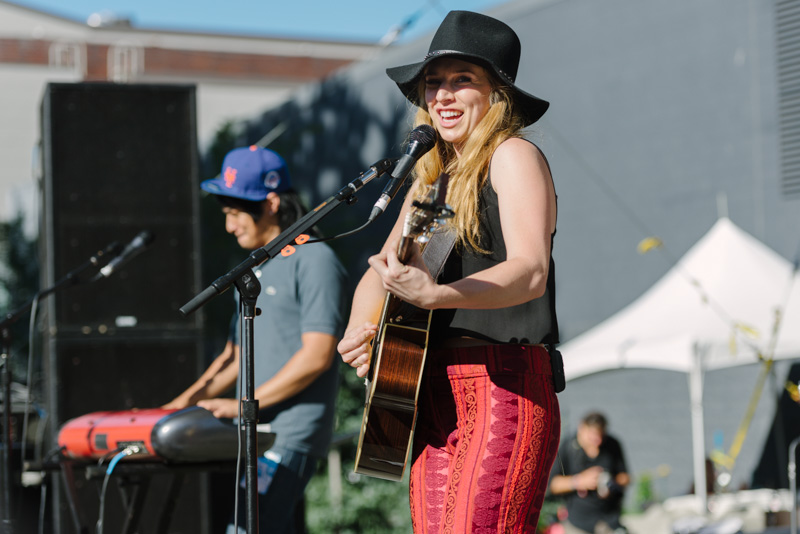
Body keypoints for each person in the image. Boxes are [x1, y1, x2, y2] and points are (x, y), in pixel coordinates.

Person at [338, 10, 561, 533]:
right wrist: (359, 327)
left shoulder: (513, 155)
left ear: (496, 95)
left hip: (504, 386)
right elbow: (382, 271)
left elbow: (530, 272)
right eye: (433, 83)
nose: (442, 95)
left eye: (462, 81)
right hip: (426, 388)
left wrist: (437, 295)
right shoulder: (432, 179)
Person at [164, 145, 347, 534]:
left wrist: (239, 405)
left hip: (289, 433)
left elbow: (317, 356)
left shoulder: (315, 260)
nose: (230, 226)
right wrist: (182, 404)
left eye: (235, 214)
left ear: (271, 203)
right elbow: (233, 356)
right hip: (253, 431)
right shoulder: (252, 269)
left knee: (246, 529)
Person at [549, 412, 631, 534]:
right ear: (581, 428)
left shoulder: (612, 445)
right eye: (592, 435)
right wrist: (579, 481)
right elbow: (552, 485)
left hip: (609, 521)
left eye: (600, 436)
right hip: (578, 524)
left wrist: (610, 483)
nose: (597, 441)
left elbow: (625, 477)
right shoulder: (568, 447)